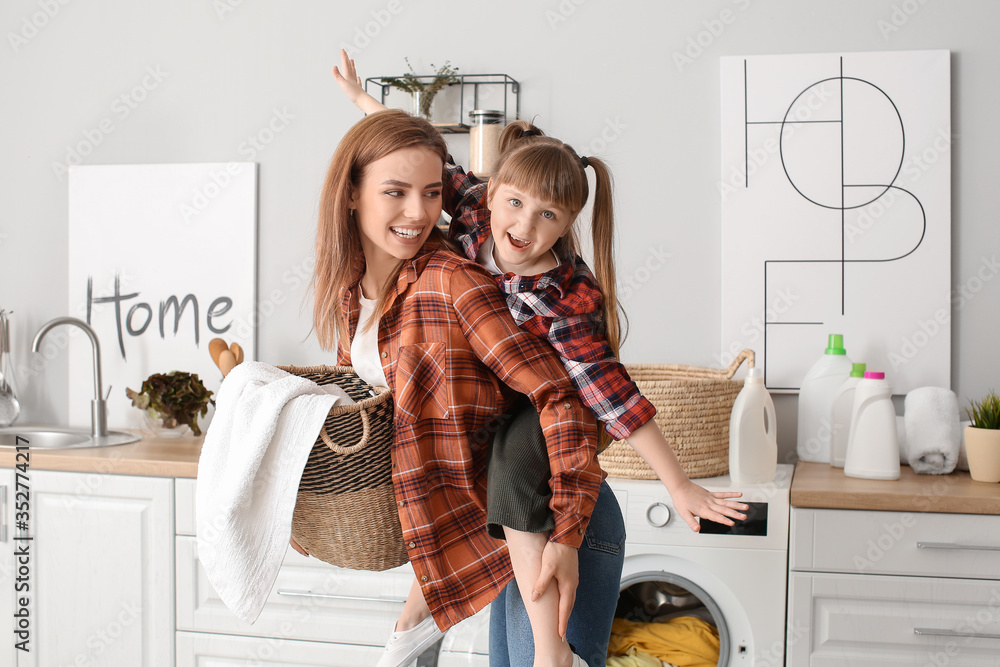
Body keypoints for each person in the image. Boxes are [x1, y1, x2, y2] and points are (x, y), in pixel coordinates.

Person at [332, 52, 748, 667]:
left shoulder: (563, 299)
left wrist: (678, 482)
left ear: (568, 225)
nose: (524, 227)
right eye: (515, 204)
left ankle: (552, 655)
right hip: (508, 509)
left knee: (516, 460)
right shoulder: (470, 217)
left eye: (548, 216)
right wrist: (363, 102)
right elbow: (422, 157)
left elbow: (610, 392)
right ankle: (434, 623)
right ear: (492, 193)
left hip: (554, 456)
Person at [309, 105, 627, 667]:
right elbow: (432, 434)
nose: (419, 211)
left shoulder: (450, 279)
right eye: (396, 192)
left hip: (551, 513)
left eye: (432, 193)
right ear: (352, 193)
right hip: (499, 523)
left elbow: (560, 394)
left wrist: (570, 530)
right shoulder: (352, 293)